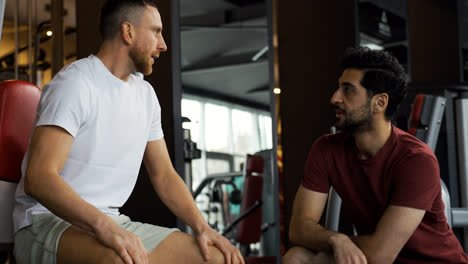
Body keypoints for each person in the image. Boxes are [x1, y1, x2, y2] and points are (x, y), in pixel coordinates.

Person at [12, 0, 244, 263]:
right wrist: (105, 227)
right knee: (122, 260)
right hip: (46, 222)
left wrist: (203, 228)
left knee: (218, 258)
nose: (163, 44)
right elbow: (39, 178)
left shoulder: (145, 95)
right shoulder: (76, 84)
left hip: (109, 221)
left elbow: (165, 176)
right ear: (128, 31)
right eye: (156, 31)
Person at [282, 47, 468, 264]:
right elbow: (298, 228)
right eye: (338, 88)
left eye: (348, 90)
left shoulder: (417, 160)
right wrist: (336, 239)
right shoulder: (326, 149)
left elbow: (380, 255)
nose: (335, 98)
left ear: (379, 102)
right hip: (374, 258)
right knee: (296, 258)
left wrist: (337, 242)